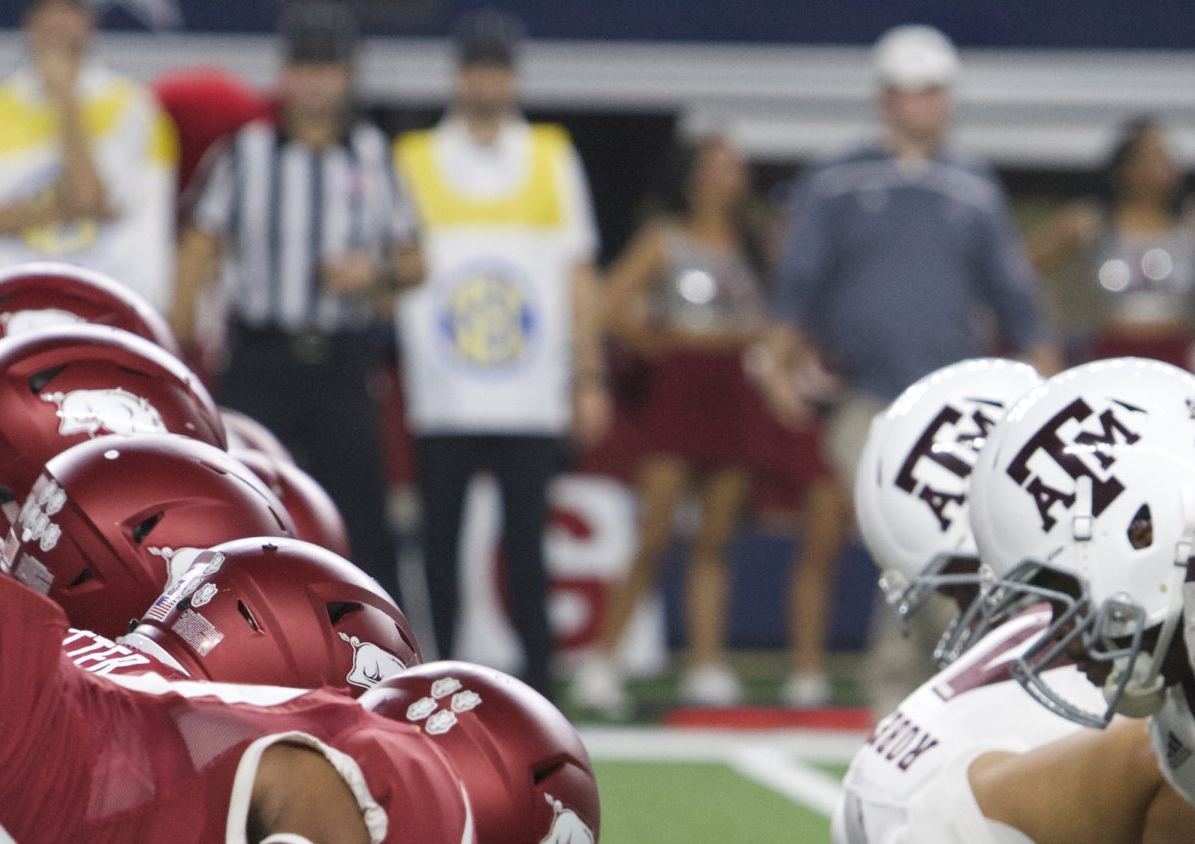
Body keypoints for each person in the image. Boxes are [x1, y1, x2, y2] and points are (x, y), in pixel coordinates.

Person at [760, 24, 1057, 716]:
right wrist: (776, 362)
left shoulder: (971, 185)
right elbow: (797, 282)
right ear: (885, 99)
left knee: (935, 545)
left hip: (953, 404)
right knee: (909, 539)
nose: (922, 106)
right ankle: (931, 687)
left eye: (932, 93)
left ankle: (915, 692)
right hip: (864, 395)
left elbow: (1013, 290)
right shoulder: (836, 179)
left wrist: (1042, 363)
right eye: (909, 93)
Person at [573, 134, 842, 716]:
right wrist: (650, 340)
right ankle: (602, 660)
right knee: (656, 532)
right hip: (682, 387)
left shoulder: (754, 241)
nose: (733, 176)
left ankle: (706, 664)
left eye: (738, 166)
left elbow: (780, 311)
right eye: (721, 165)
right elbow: (607, 299)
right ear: (694, 174)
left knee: (716, 537)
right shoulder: (665, 238)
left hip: (733, 388)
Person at [393, 9, 606, 698]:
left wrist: (588, 373)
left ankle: (538, 684)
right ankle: (436, 676)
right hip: (443, 393)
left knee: (526, 546)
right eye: (477, 67)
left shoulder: (550, 155)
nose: (487, 80)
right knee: (441, 548)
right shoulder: (415, 160)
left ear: (512, 76)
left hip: (530, 393)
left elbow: (578, 272)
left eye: (498, 68)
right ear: (459, 75)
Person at [178, 1, 416, 584]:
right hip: (261, 355)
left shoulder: (374, 156)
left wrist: (375, 275)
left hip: (341, 358)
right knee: (241, 507)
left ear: (348, 75)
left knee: (360, 516)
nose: (316, 83)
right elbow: (199, 250)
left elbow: (413, 261)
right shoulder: (244, 154)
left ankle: (373, 655)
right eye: (306, 68)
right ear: (285, 73)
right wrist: (178, 344)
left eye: (328, 69)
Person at [0, 0, 178, 312]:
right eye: (46, 9)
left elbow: (89, 196)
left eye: (70, 8)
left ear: (90, 21)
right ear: (28, 22)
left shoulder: (134, 106)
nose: (56, 20)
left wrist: (64, 98)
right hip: (13, 309)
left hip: (106, 309)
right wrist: (72, 207)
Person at [1028, 118, 1195, 368]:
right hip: (1108, 351)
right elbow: (1020, 268)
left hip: (1177, 352)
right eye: (1150, 158)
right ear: (1124, 167)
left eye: (1167, 158)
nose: (1162, 167)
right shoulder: (1091, 222)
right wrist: (1044, 338)